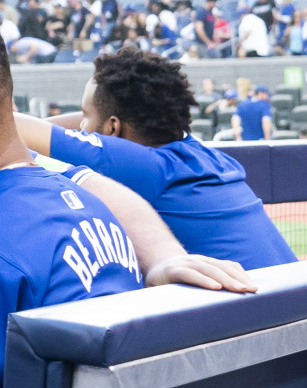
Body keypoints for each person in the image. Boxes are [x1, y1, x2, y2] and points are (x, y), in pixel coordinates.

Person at [0, 47, 261, 313]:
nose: (79, 127)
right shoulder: (211, 158)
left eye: (85, 116)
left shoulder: (144, 165)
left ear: (112, 127)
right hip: (280, 298)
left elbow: (17, 127)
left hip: (244, 317)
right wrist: (92, 115)